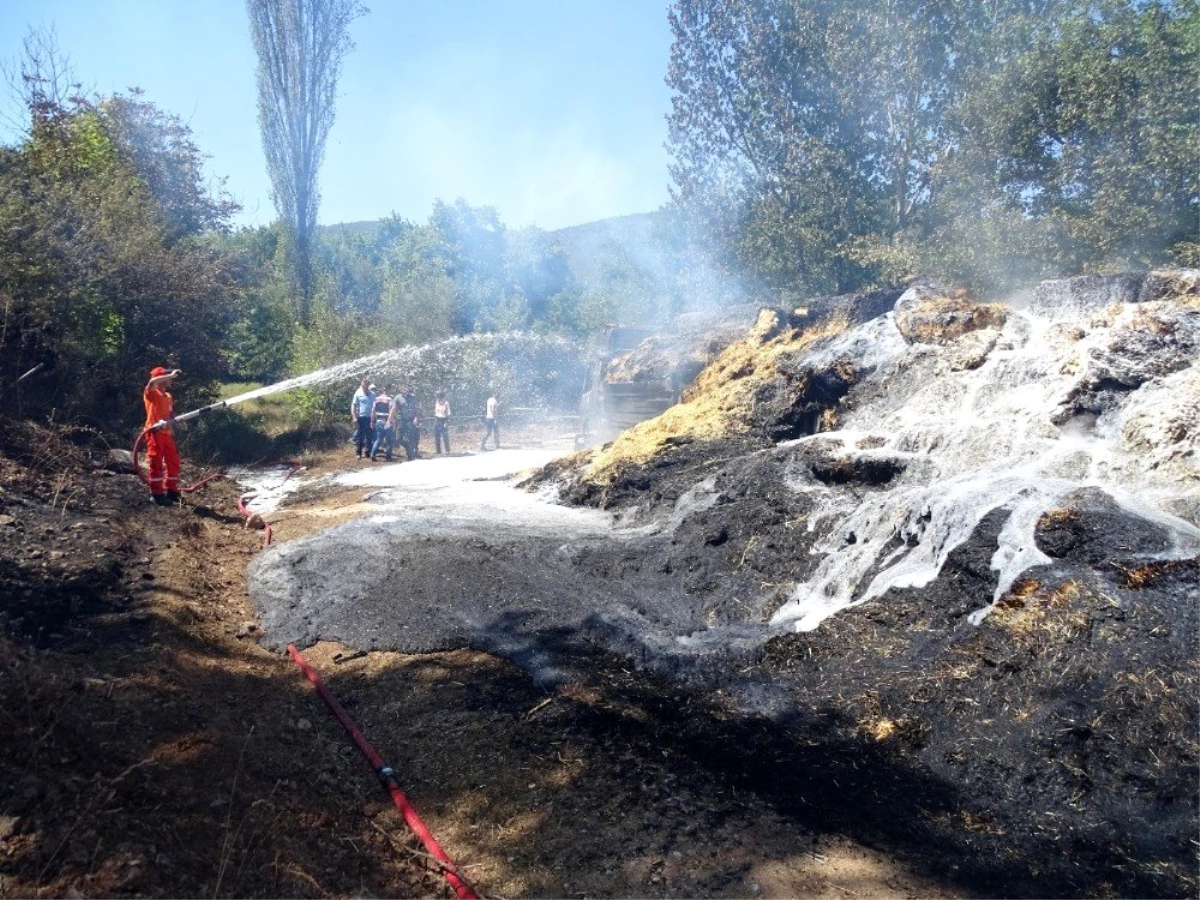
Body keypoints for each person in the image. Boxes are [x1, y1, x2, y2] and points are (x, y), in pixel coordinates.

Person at [144, 366, 182, 505]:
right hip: (154, 431)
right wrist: (170, 375)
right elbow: (151, 383)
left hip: (166, 433)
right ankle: (157, 494)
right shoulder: (152, 392)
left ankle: (171, 491)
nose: (170, 379)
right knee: (156, 462)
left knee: (173, 461)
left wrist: (174, 420)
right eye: (165, 376)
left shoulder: (168, 396)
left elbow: (169, 414)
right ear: (161, 378)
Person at [369, 383, 396, 461]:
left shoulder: (377, 399)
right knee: (389, 440)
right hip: (387, 421)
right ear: (389, 389)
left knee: (379, 439)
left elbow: (373, 410)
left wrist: (372, 421)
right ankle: (388, 457)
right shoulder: (390, 399)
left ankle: (372, 454)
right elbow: (392, 411)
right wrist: (391, 422)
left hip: (379, 421)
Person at [351, 378, 375, 459]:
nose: (365, 387)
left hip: (370, 418)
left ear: (368, 386)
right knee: (360, 436)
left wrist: (374, 417)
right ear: (361, 385)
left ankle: (368, 452)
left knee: (369, 436)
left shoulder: (373, 394)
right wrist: (354, 416)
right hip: (361, 418)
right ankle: (358, 453)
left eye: (366, 386)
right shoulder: (358, 393)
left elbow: (375, 406)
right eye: (363, 385)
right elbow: (353, 405)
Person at [433, 390, 452, 454]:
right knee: (436, 436)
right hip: (437, 419)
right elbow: (436, 411)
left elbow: (449, 414)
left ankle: (447, 450)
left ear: (440, 396)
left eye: (437, 396)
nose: (436, 397)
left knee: (445, 436)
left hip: (443, 420)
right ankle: (438, 451)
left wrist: (447, 422)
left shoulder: (446, 403)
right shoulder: (437, 402)